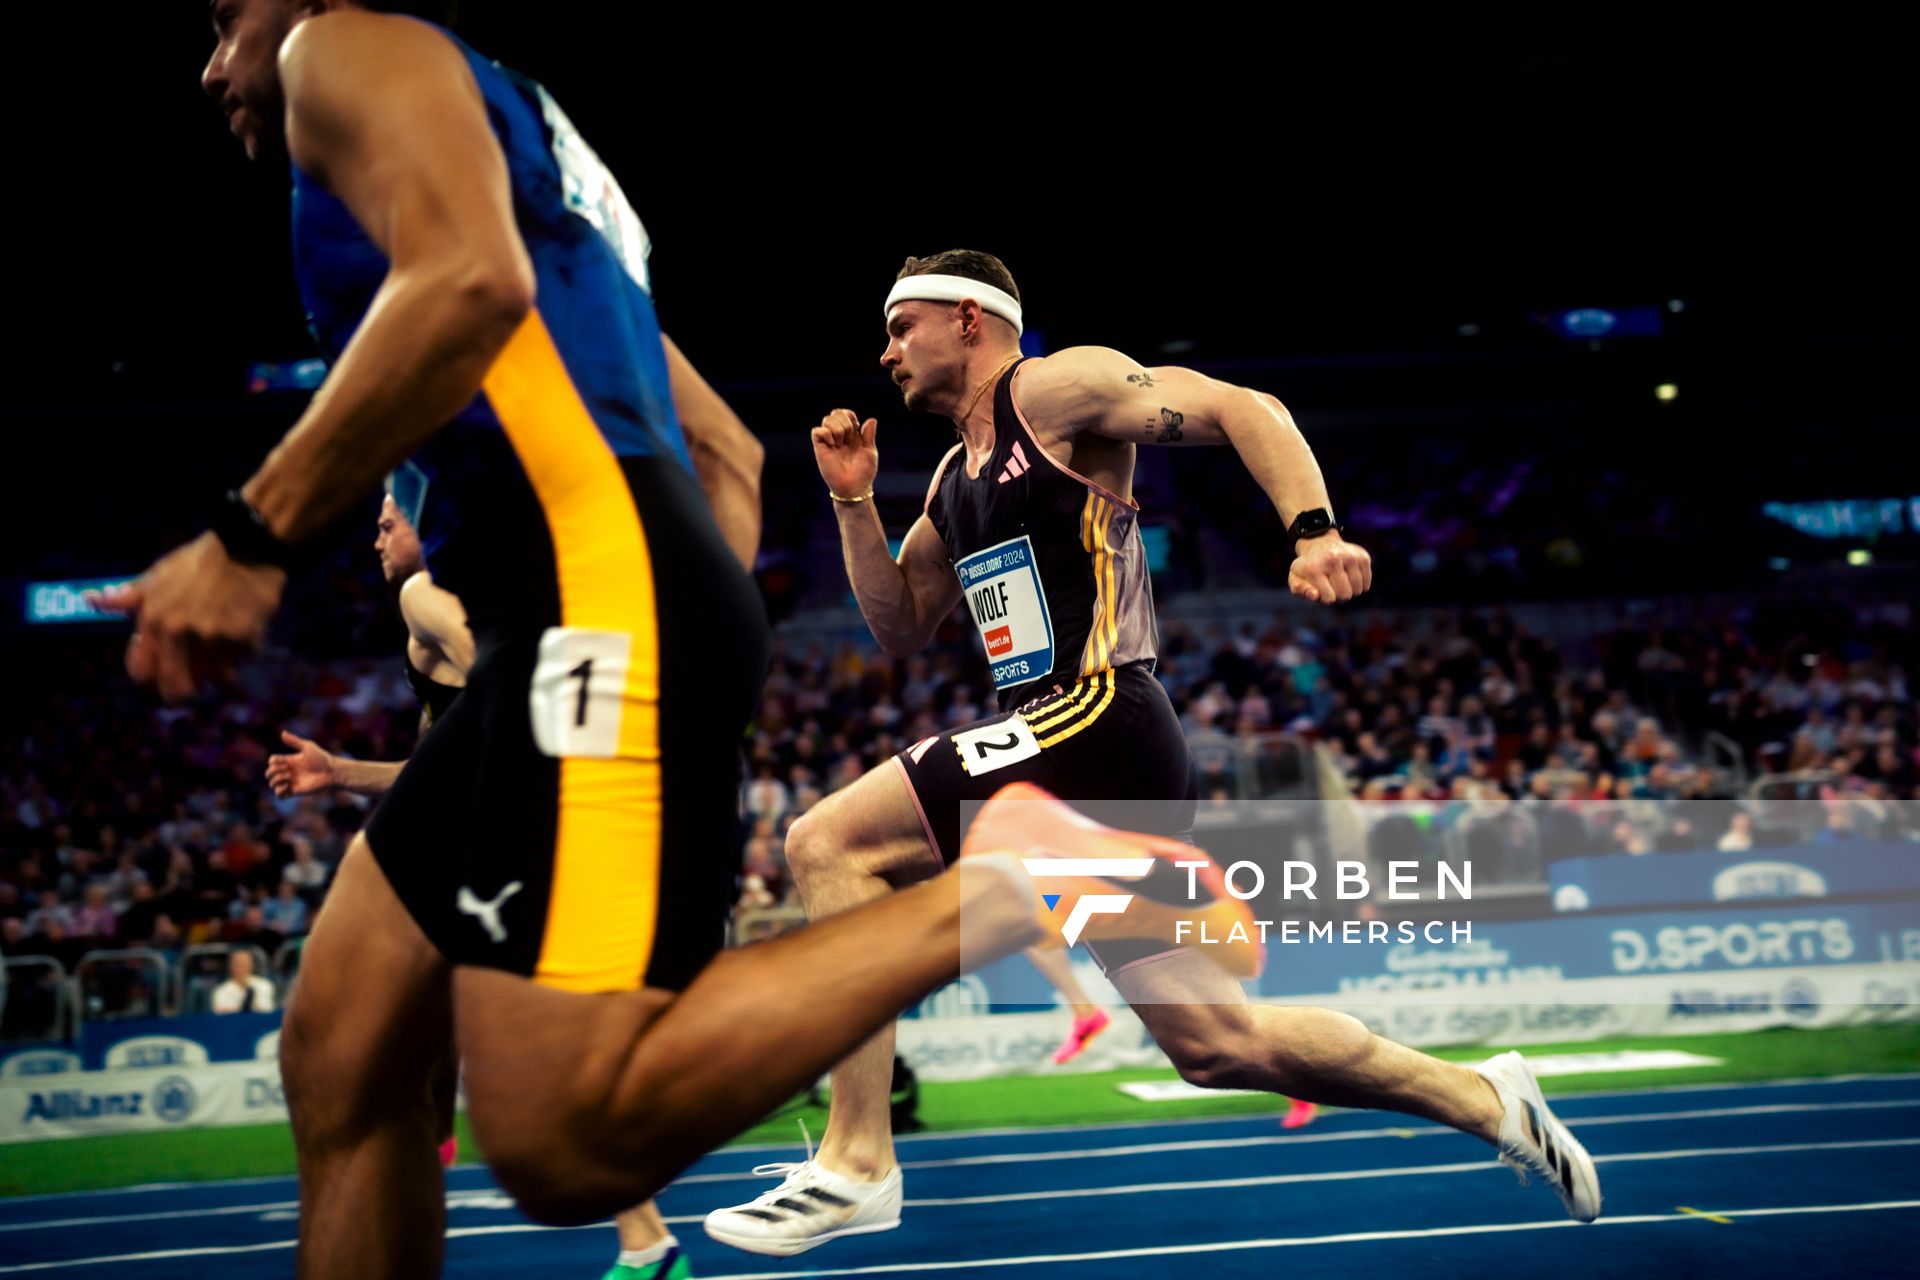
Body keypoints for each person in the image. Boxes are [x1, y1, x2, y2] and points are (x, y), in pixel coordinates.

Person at [117, 8, 1251, 1280]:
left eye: (225, 21)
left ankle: (1012, 878)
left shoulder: (342, 50)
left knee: (559, 1144)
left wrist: (249, 537)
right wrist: (693, 636)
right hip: (592, 606)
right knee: (341, 1047)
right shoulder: (538, 154)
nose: (215, 64)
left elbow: (468, 284)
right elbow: (725, 450)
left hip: (594, 600)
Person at [704, 251, 1598, 1255]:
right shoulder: (953, 481)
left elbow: (1244, 406)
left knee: (827, 842)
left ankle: (859, 1158)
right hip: (1086, 760)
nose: (885, 353)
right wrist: (853, 504)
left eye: (900, 327)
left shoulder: (1052, 390)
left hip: (1098, 714)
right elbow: (901, 624)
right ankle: (1488, 1096)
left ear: (968, 319)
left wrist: (1313, 532)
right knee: (1218, 1044)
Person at [267, 494, 681, 1278]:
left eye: (389, 523)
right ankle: (622, 1230)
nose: (377, 539)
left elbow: (504, 674)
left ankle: (645, 1240)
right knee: (436, 1039)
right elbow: (434, 767)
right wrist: (337, 772)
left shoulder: (422, 595)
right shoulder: (473, 606)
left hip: (513, 841)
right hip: (509, 833)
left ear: (431, 525)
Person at [211, 948, 277, 1014]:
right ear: (230, 966)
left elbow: (267, 1010)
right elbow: (219, 1013)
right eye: (237, 964)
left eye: (244, 964)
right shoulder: (220, 991)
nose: (240, 967)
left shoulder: (264, 985)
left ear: (251, 965)